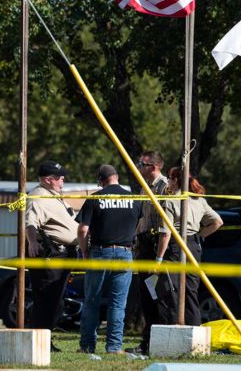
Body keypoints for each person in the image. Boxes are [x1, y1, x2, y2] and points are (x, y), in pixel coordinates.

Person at [77, 164, 142, 354]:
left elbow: (82, 230)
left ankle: (87, 346)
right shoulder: (134, 199)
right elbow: (139, 223)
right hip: (124, 253)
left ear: (100, 181)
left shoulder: (94, 199)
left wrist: (85, 251)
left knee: (92, 300)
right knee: (118, 304)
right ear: (117, 177)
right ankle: (114, 347)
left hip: (99, 252)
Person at [154, 167, 223, 328]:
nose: (167, 182)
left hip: (175, 247)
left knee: (171, 291)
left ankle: (172, 330)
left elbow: (165, 234)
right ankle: (194, 330)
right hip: (193, 246)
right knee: (191, 292)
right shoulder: (199, 200)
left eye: (170, 179)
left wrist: (158, 259)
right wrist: (199, 236)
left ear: (176, 180)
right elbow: (218, 222)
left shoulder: (171, 201)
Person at [24, 160, 78, 352]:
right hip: (51, 255)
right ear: (48, 180)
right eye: (59, 177)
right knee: (47, 299)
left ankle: (43, 341)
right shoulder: (38, 197)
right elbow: (30, 222)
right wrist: (32, 242)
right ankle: (38, 342)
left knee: (55, 300)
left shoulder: (54, 196)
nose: (63, 179)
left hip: (62, 255)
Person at [132, 150, 169, 354]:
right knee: (146, 295)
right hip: (144, 246)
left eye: (142, 163)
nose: (139, 167)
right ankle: (147, 342)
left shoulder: (164, 187)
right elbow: (142, 219)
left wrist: (159, 257)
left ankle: (159, 343)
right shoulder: (145, 188)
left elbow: (166, 222)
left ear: (153, 167)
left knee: (159, 296)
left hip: (157, 247)